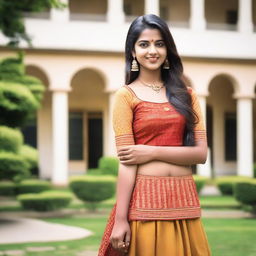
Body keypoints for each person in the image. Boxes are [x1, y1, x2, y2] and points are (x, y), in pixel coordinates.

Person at [98, 14, 211, 256]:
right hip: (144, 205)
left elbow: (201, 154)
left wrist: (149, 151)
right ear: (132, 51)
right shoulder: (126, 96)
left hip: (184, 202)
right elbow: (127, 162)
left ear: (168, 49)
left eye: (159, 44)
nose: (153, 50)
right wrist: (120, 220)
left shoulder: (187, 95)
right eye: (144, 44)